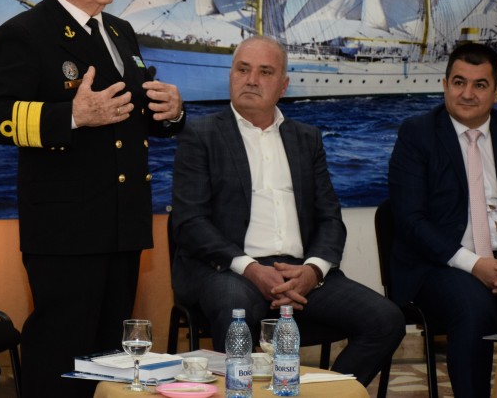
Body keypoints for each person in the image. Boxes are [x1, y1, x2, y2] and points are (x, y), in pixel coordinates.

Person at [0, 0, 185, 398]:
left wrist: (173, 112)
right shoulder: (25, 33)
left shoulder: (121, 31)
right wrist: (71, 116)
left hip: (123, 221)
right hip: (66, 228)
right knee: (62, 358)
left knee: (111, 361)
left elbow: (132, 116)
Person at [170, 35, 405, 388]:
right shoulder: (200, 135)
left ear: (283, 85)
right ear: (231, 75)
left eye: (265, 72)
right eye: (243, 69)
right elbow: (190, 223)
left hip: (300, 272)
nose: (251, 80)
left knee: (386, 319)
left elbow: (330, 219)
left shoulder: (306, 138)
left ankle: (326, 396)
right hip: (231, 270)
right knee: (235, 311)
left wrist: (313, 271)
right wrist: (252, 269)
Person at [388, 42, 497, 398]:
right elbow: (410, 221)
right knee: (473, 306)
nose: (467, 94)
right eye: (459, 82)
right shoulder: (417, 134)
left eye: (480, 85)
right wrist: (476, 265)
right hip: (438, 266)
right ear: (444, 85)